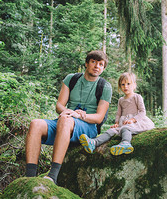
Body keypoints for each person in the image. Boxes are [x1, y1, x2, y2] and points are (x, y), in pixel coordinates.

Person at [24, 50, 112, 183]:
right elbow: (59, 105)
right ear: (87, 63)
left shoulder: (105, 86)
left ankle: (52, 176)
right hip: (65, 121)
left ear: (103, 68)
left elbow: (99, 117)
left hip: (87, 127)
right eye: (93, 62)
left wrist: (79, 116)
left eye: (101, 64)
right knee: (36, 123)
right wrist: (68, 111)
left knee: (65, 120)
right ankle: (29, 177)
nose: (96, 66)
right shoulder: (72, 79)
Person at [79, 72, 155, 156]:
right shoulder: (121, 100)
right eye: (122, 84)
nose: (125, 86)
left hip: (136, 122)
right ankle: (94, 142)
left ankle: (125, 143)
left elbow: (142, 112)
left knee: (126, 128)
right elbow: (119, 114)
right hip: (123, 122)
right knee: (110, 131)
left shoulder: (137, 97)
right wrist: (116, 123)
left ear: (134, 85)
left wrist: (133, 120)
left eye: (128, 84)